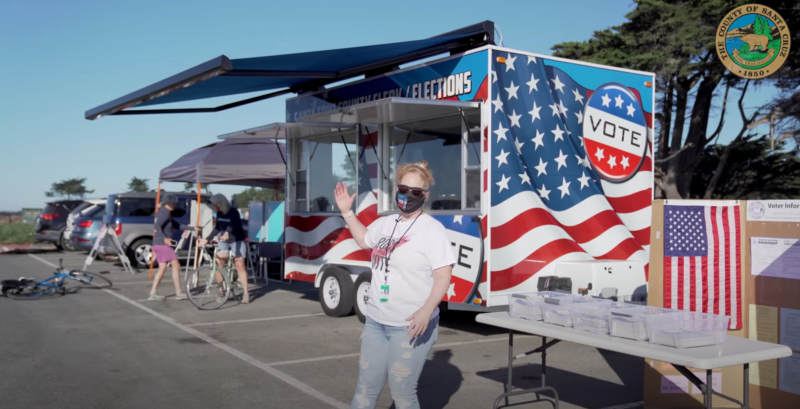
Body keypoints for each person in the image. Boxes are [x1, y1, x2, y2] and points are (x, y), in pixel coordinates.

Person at [334, 160, 455, 409]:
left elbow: (443, 276)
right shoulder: (386, 223)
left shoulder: (432, 230)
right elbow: (364, 240)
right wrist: (347, 212)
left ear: (425, 195)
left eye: (416, 191)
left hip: (410, 326)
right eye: (403, 189)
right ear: (396, 190)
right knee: (365, 389)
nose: (408, 195)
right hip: (376, 322)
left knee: (402, 394)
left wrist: (425, 311)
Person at [198, 194, 251, 304]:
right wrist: (206, 239)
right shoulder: (219, 213)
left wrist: (227, 232)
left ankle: (246, 293)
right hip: (223, 239)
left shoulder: (233, 212)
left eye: (216, 205)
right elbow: (217, 228)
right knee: (218, 262)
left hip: (237, 239)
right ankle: (221, 291)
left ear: (221, 203)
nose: (215, 207)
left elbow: (234, 224)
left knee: (240, 264)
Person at [148, 194, 199, 301]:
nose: (175, 205)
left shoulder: (164, 212)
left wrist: (192, 228)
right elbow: (157, 226)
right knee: (176, 265)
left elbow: (177, 225)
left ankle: (153, 292)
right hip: (163, 244)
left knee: (162, 268)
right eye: (174, 203)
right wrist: (164, 238)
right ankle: (179, 292)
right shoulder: (165, 213)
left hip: (157, 244)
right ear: (169, 203)